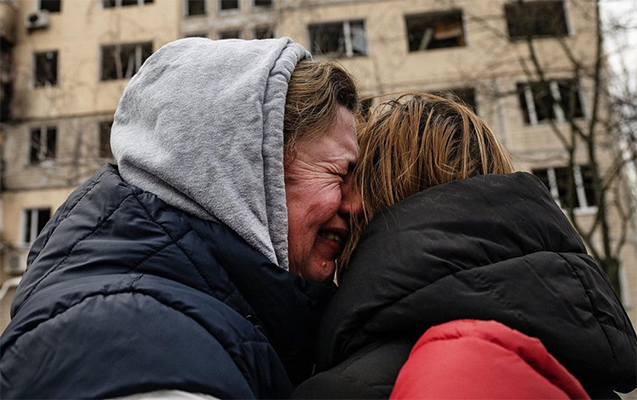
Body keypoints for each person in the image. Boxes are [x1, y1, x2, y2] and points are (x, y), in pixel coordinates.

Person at [0, 37, 359, 400]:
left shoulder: (187, 325)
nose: (355, 205)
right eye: (340, 174)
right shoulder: (134, 346)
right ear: (245, 172)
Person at [290, 93, 637, 400]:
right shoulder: (585, 369)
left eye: (352, 178)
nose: (344, 204)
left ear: (377, 194)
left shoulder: (345, 389)